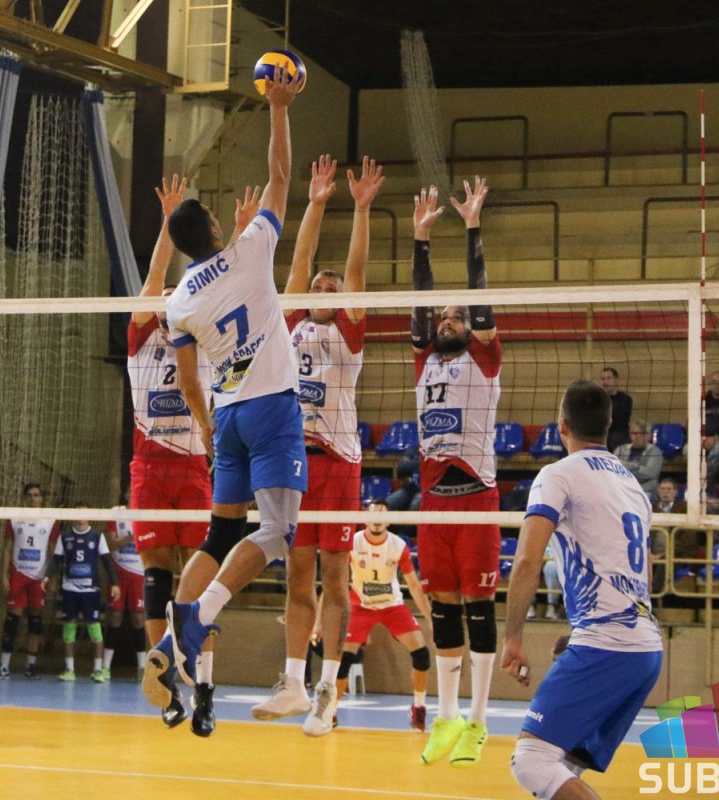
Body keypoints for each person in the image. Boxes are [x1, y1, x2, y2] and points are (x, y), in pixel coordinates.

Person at [142, 68, 303, 740]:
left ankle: (172, 638)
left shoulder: (179, 301)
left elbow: (187, 382)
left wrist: (207, 431)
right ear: (214, 225)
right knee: (279, 532)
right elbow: (281, 177)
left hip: (228, 417)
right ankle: (197, 616)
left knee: (220, 533)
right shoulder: (252, 251)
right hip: (272, 408)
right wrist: (279, 107)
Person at [251, 154, 384, 736]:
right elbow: (299, 261)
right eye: (319, 287)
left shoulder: (349, 328)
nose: (324, 289)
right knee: (296, 576)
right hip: (293, 461)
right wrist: (315, 203)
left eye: (333, 287)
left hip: (339, 461)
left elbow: (356, 269)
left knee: (335, 575)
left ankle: (328, 688)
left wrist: (360, 209)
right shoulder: (291, 322)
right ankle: (293, 681)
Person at [502, 380, 663, 800]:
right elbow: (642, 576)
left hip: (608, 645)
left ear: (562, 426)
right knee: (561, 769)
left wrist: (513, 638)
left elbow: (527, 560)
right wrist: (579, 631)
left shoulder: (558, 474)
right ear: (609, 425)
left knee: (533, 761)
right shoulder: (633, 485)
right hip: (644, 647)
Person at [409, 178, 502, 767]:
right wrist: (420, 239)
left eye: (457, 315)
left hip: (477, 498)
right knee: (441, 608)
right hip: (433, 503)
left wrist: (471, 226)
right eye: (443, 316)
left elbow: (481, 301)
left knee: (478, 608)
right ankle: (445, 717)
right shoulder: (425, 357)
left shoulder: (484, 356)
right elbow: (419, 305)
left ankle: (479, 722)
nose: (446, 319)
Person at [127, 174, 215, 727]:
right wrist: (167, 222)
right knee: (157, 575)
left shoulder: (199, 336)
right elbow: (155, 278)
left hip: (193, 466)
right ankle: (165, 685)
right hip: (150, 467)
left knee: (200, 579)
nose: (164, 299)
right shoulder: (141, 333)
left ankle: (203, 685)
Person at [334, 500, 433, 731]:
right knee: (343, 661)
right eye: (373, 515)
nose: (377, 520)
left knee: (422, 655)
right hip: (360, 606)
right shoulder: (353, 542)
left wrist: (430, 618)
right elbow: (335, 581)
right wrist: (321, 620)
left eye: (382, 516)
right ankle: (330, 711)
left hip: (392, 606)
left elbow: (414, 584)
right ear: (365, 518)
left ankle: (419, 707)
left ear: (389, 520)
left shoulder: (398, 545)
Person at [0, 483, 60, 679]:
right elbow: (7, 548)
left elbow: (53, 551)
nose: (33, 498)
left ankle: (31, 667)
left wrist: (52, 577)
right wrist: (4, 575)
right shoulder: (15, 518)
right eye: (29, 495)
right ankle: (4, 666)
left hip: (39, 577)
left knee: (35, 622)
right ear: (24, 498)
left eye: (36, 495)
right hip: (18, 574)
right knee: (12, 621)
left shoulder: (50, 520)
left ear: (41, 498)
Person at [51, 511, 120, 682]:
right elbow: (55, 560)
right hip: (69, 589)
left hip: (91, 590)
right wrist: (47, 577)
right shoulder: (65, 536)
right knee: (69, 626)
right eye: (78, 512)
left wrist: (115, 583)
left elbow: (107, 561)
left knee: (94, 628)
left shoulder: (97, 536)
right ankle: (69, 669)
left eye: (85, 512)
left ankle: (97, 670)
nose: (81, 516)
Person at [104, 513, 147, 679]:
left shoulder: (146, 516)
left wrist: (125, 539)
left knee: (138, 618)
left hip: (139, 574)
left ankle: (142, 667)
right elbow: (111, 544)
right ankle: (105, 667)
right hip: (118, 574)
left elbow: (150, 540)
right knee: (115, 616)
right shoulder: (116, 514)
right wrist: (131, 537)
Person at [613, 420, 663, 498]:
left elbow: (651, 473)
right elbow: (614, 470)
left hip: (645, 490)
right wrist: (638, 466)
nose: (638, 436)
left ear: (649, 436)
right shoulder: (620, 450)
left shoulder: (655, 451)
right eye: (635, 433)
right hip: (623, 488)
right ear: (630, 435)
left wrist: (627, 465)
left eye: (642, 433)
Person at [600, 367, 633, 451]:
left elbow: (619, 420)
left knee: (616, 437)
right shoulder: (598, 398)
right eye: (603, 379)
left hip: (618, 435)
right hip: (600, 434)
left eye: (608, 378)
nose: (605, 382)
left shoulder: (625, 399)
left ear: (616, 381)